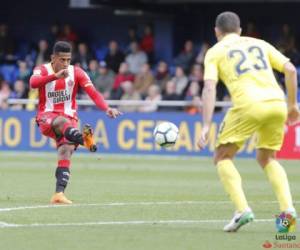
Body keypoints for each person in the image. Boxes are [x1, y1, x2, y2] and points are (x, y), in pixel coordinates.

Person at [198, 11, 299, 232]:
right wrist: (292, 105)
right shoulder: (259, 43)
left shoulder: (214, 52)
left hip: (248, 105)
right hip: (276, 103)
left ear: (217, 32)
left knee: (222, 156)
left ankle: (242, 210)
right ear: (240, 30)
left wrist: (205, 125)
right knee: (267, 157)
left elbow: (209, 87)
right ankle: (287, 213)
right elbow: (291, 70)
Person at [29, 41, 121, 205]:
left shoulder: (77, 72)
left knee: (66, 151)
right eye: (62, 60)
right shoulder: (42, 70)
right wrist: (54, 76)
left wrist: (107, 108)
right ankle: (85, 140)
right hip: (47, 116)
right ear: (53, 58)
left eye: (68, 60)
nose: (65, 63)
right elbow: (33, 83)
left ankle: (58, 194)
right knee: (62, 122)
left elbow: (93, 93)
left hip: (69, 119)